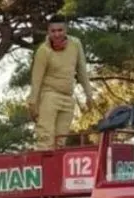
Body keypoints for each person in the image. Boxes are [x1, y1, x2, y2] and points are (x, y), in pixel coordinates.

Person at [27, 14, 93, 149]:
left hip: (68, 98)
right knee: (46, 140)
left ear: (66, 30)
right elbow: (36, 78)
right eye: (53, 31)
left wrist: (89, 94)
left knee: (60, 142)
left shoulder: (76, 44)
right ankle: (44, 168)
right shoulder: (43, 51)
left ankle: (55, 169)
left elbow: (81, 70)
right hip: (49, 96)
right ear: (48, 32)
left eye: (60, 30)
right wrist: (33, 101)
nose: (57, 34)